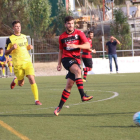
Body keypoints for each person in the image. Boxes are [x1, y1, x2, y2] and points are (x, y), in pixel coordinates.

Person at [54, 16, 93, 116]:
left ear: (74, 24)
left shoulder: (79, 33)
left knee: (69, 85)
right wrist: (58, 64)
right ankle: (83, 96)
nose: (70, 25)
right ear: (65, 24)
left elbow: (87, 46)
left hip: (76, 60)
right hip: (66, 59)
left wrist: (76, 46)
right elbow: (60, 51)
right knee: (78, 71)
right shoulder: (62, 37)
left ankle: (59, 107)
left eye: (72, 23)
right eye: (68, 23)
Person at [5, 20, 42, 105]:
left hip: (27, 61)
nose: (18, 28)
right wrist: (12, 49)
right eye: (16, 26)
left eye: (19, 26)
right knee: (21, 84)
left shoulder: (24, 37)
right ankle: (16, 80)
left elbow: (25, 47)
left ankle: (36, 100)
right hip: (18, 64)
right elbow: (6, 52)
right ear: (13, 28)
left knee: (31, 78)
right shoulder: (9, 39)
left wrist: (29, 47)